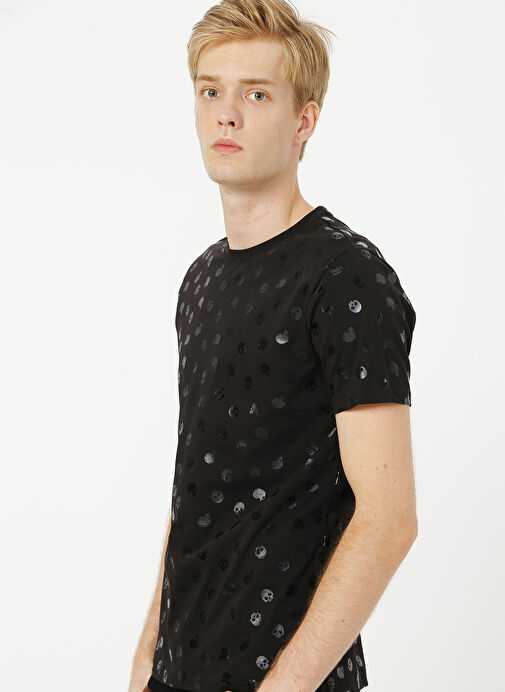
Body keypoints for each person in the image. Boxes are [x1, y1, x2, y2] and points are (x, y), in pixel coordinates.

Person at [128, 1, 418, 691]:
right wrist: (146, 659)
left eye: (256, 94)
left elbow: (388, 520)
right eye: (210, 91)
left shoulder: (345, 276)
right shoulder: (200, 279)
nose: (226, 115)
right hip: (178, 671)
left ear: (304, 121)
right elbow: (198, 488)